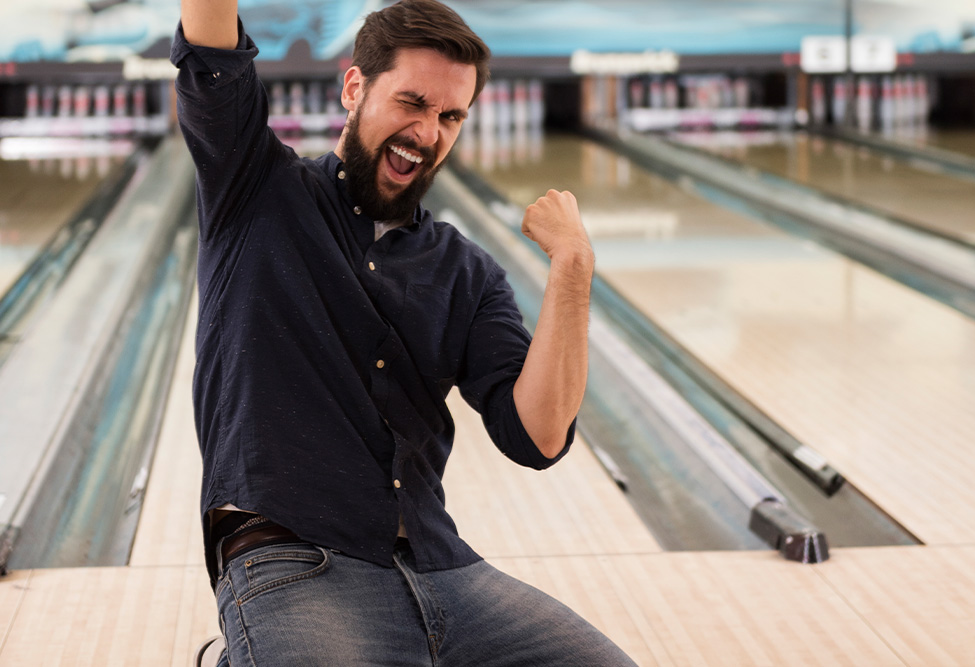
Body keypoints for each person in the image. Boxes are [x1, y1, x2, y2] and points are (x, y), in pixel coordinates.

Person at [172, 0, 636, 664]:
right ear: (355, 87)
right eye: (411, 103)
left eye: (450, 116)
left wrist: (573, 268)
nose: (427, 131)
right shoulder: (254, 188)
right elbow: (210, 45)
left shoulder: (467, 272)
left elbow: (538, 436)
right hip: (299, 561)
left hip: (444, 570)